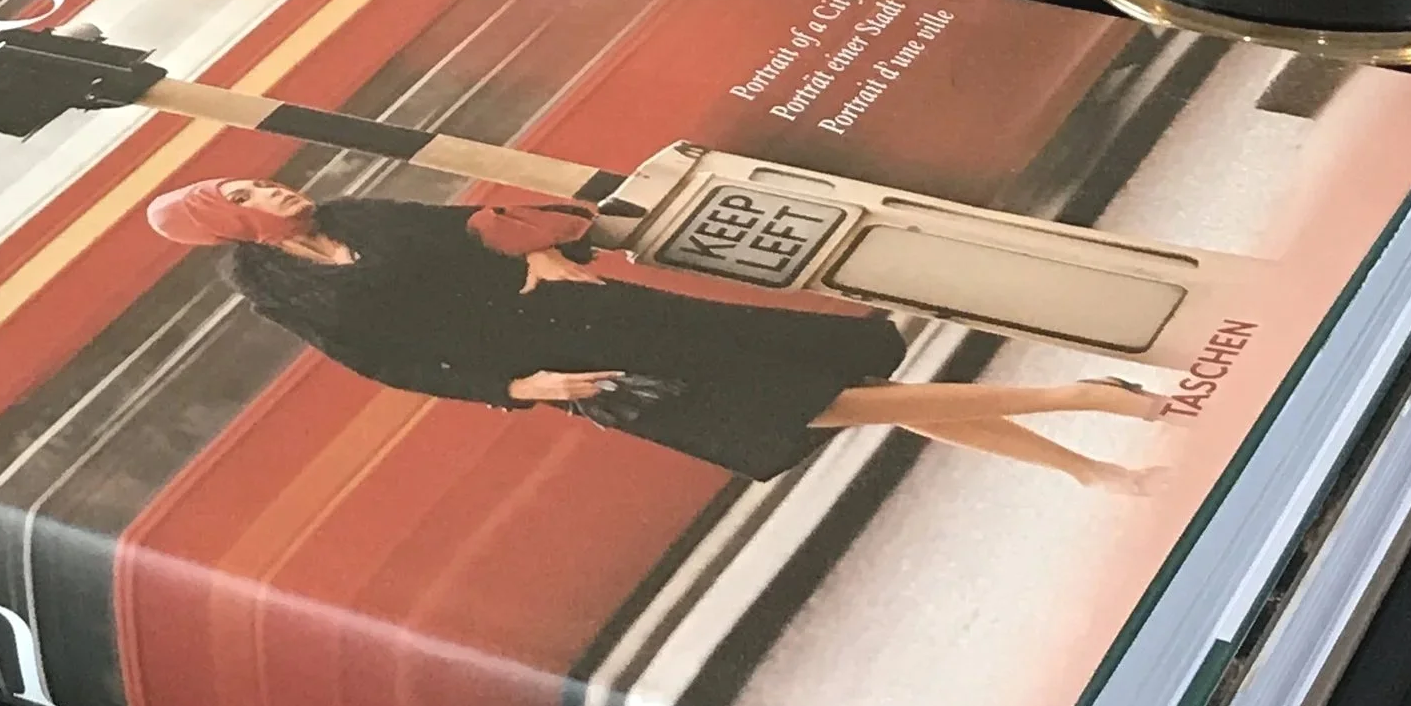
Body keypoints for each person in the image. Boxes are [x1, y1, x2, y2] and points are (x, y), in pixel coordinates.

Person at [150, 176, 1170, 492]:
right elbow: (397, 364)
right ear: (225, 225)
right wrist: (522, 391)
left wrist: (530, 254)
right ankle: (1084, 440)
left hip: (595, 312)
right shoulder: (284, 291)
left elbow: (465, 232)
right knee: (842, 406)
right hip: (568, 366)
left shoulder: (361, 214)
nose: (267, 184)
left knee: (839, 400)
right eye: (241, 193)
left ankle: (1083, 422)